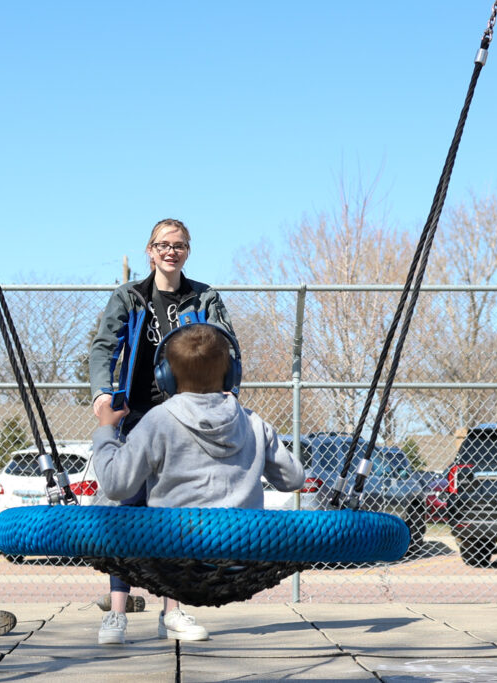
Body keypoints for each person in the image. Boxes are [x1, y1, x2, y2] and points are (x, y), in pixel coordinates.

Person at [92, 323, 305, 644]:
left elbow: (115, 485)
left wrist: (107, 431)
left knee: (109, 503)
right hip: (239, 560)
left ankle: (119, 608)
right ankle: (167, 613)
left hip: (171, 560)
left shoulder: (158, 420)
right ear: (232, 374)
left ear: (166, 377)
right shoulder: (254, 423)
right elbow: (293, 479)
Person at [88, 218, 234, 645]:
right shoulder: (130, 297)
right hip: (136, 415)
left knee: (176, 514)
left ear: (188, 251)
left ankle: (172, 610)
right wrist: (102, 396)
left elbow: (226, 346)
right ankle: (117, 613)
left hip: (185, 418)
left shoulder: (203, 298)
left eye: (180, 245)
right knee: (123, 507)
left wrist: (229, 395)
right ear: (150, 251)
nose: (171, 251)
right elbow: (104, 346)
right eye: (163, 244)